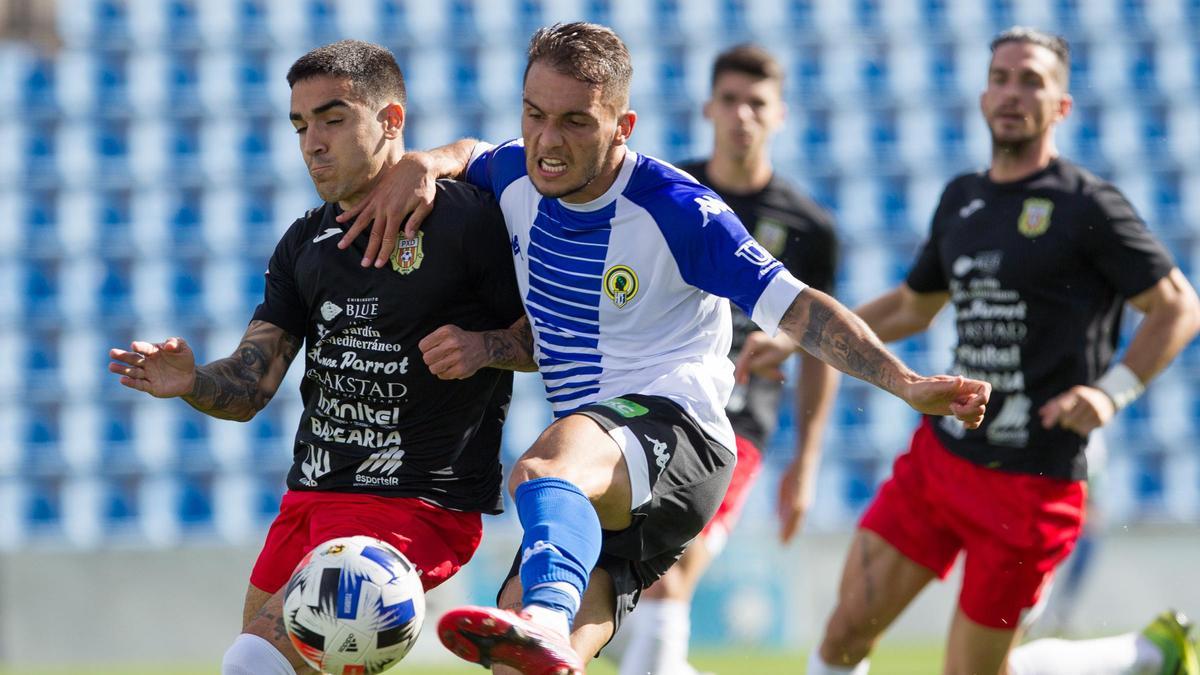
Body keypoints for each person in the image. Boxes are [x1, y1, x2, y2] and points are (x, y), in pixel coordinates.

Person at [339, 22, 990, 675]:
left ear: (623, 126)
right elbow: (475, 152)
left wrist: (904, 383)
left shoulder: (679, 210)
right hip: (609, 476)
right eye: (534, 115)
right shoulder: (512, 171)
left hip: (683, 437)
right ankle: (546, 623)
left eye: (575, 122)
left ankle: (542, 612)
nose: (547, 141)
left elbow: (800, 308)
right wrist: (427, 163)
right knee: (525, 665)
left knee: (543, 471)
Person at [775, 27, 1200, 675]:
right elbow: (913, 306)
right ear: (981, 96)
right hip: (941, 460)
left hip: (1033, 484)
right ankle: (1145, 654)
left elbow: (1178, 305)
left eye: (1031, 80)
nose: (1011, 91)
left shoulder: (1088, 205)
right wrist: (799, 332)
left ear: (1062, 106)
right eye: (1000, 76)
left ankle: (1143, 654)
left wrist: (1110, 393)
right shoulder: (962, 198)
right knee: (842, 635)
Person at [106, 40, 534, 675]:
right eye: (301, 125)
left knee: (252, 663)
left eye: (333, 119)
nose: (313, 143)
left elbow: (554, 337)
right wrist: (194, 380)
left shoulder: (465, 221)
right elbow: (251, 387)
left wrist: (485, 348)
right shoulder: (305, 242)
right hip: (310, 496)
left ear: (391, 120)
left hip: (410, 505)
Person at [613, 43, 840, 675]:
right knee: (618, 591)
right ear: (710, 107)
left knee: (666, 574)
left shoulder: (809, 228)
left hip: (734, 426)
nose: (742, 114)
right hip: (647, 404)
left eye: (757, 103)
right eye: (731, 100)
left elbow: (819, 345)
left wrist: (808, 461)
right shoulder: (665, 193)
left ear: (779, 116)